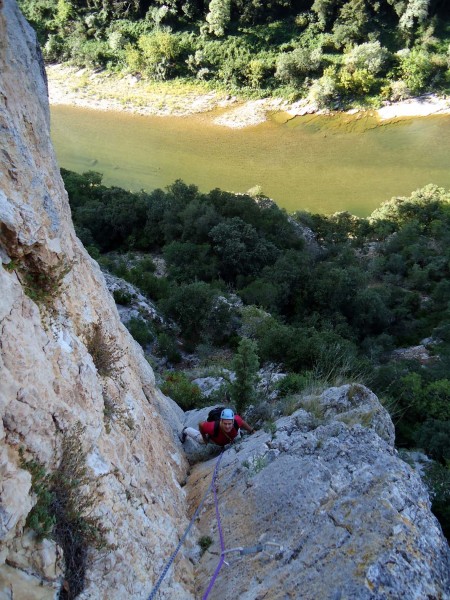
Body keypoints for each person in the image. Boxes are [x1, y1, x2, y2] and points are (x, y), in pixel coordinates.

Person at [181, 408, 255, 447]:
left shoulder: (237, 421)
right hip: (215, 439)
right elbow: (201, 424)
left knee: (238, 435)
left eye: (229, 424)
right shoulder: (212, 427)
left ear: (233, 421)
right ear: (221, 421)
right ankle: (186, 430)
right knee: (200, 440)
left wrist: (252, 431)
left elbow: (242, 423)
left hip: (229, 437)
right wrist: (204, 438)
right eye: (225, 423)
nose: (227, 426)